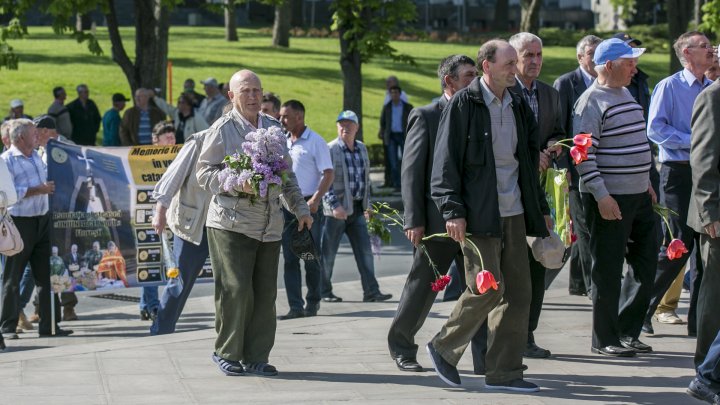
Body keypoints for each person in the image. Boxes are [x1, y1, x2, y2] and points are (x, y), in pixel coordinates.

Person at [426, 39, 549, 393]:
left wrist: (540, 210)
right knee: (487, 287)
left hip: (514, 212)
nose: (515, 69)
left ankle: (505, 373)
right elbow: (445, 163)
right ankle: (444, 346)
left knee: (519, 293)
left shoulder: (519, 103)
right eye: (509, 63)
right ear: (487, 66)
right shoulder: (466, 102)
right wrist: (452, 211)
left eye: (515, 62)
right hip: (478, 215)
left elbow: (526, 163)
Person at [196, 69, 312, 377]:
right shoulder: (222, 129)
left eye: (256, 91)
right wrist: (236, 182)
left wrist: (300, 209)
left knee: (265, 293)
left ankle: (257, 356)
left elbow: (286, 175)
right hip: (230, 223)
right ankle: (227, 352)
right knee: (236, 290)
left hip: (270, 225)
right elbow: (203, 173)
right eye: (245, 91)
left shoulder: (274, 128)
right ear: (231, 96)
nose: (252, 96)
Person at [387, 54, 481, 373]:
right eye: (469, 75)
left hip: (476, 221)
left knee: (482, 287)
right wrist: (413, 219)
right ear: (449, 81)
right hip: (437, 222)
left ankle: (484, 358)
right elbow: (411, 171)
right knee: (422, 286)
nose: (476, 79)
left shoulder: (481, 113)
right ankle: (402, 347)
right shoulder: (426, 115)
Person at [574, 38, 656, 357]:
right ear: (609, 65)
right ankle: (604, 338)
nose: (635, 68)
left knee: (646, 261)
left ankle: (626, 329)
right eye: (629, 63)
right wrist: (602, 195)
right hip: (610, 199)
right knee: (607, 270)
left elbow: (637, 145)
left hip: (638, 195)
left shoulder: (626, 94)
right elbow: (583, 156)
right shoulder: (590, 102)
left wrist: (646, 181)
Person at [644, 31, 715, 337]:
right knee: (676, 247)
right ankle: (639, 310)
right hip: (677, 173)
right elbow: (655, 129)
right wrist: (696, 143)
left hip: (706, 175)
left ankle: (699, 324)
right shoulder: (669, 87)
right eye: (705, 47)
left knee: (705, 252)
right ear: (687, 52)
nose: (712, 51)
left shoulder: (712, 88)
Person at [508, 32, 566, 360]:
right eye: (527, 54)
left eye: (538, 54)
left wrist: (553, 147)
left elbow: (557, 131)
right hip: (512, 191)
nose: (534, 60)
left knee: (539, 262)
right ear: (513, 58)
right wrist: (531, 155)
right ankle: (506, 334)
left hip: (541, 191)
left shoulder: (549, 93)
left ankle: (528, 333)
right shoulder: (504, 91)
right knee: (513, 267)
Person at [0, 119, 72, 338]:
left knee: (47, 276)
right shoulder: (7, 160)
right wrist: (38, 190)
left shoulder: (37, 157)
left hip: (42, 220)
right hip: (20, 222)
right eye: (34, 134)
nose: (37, 137)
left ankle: (50, 325)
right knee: (13, 277)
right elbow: (9, 193)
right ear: (21, 137)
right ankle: (7, 327)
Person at [321, 110, 393, 304]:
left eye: (349, 124)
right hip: (336, 212)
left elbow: (365, 180)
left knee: (365, 253)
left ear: (357, 128)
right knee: (328, 254)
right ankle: (324, 291)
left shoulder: (361, 148)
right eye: (341, 124)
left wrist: (368, 207)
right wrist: (335, 206)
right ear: (337, 127)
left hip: (358, 209)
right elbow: (324, 181)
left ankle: (371, 291)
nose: (345, 127)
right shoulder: (331, 149)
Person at [554, 34, 603, 297]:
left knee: (588, 228)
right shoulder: (565, 84)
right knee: (583, 230)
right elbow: (559, 129)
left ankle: (577, 284)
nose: (597, 59)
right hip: (574, 170)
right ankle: (594, 288)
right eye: (592, 53)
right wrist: (565, 171)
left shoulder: (606, 83)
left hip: (600, 168)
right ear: (580, 57)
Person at [151, 126, 211, 335]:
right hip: (192, 223)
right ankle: (161, 330)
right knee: (180, 281)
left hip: (226, 223)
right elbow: (170, 180)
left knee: (235, 281)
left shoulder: (246, 142)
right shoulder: (199, 141)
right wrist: (160, 212)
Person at [277, 100, 334, 320]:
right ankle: (295, 307)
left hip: (309, 205)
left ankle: (313, 301)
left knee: (310, 257)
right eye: (281, 116)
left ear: (299, 117)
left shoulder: (315, 141)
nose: (282, 120)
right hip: (287, 207)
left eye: (285, 116)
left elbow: (328, 174)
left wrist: (316, 200)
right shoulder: (282, 142)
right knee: (290, 259)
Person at [687, 75, 720, 369]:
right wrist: (710, 211)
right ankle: (707, 370)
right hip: (717, 216)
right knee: (715, 295)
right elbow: (702, 158)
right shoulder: (713, 97)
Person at [379, 86, 413, 190]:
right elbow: (383, 122)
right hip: (391, 136)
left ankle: (407, 183)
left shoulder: (407, 107)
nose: (394, 95)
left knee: (405, 161)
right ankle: (397, 184)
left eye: (396, 93)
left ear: (400, 94)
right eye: (392, 93)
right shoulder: (387, 107)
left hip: (403, 136)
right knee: (393, 162)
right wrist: (384, 134)